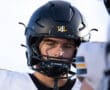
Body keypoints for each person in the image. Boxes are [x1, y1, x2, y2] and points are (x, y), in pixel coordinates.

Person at [0, 1, 87, 90]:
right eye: (50, 43)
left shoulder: (92, 87)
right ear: (34, 47)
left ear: (77, 51)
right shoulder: (6, 83)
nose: (59, 53)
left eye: (67, 46)